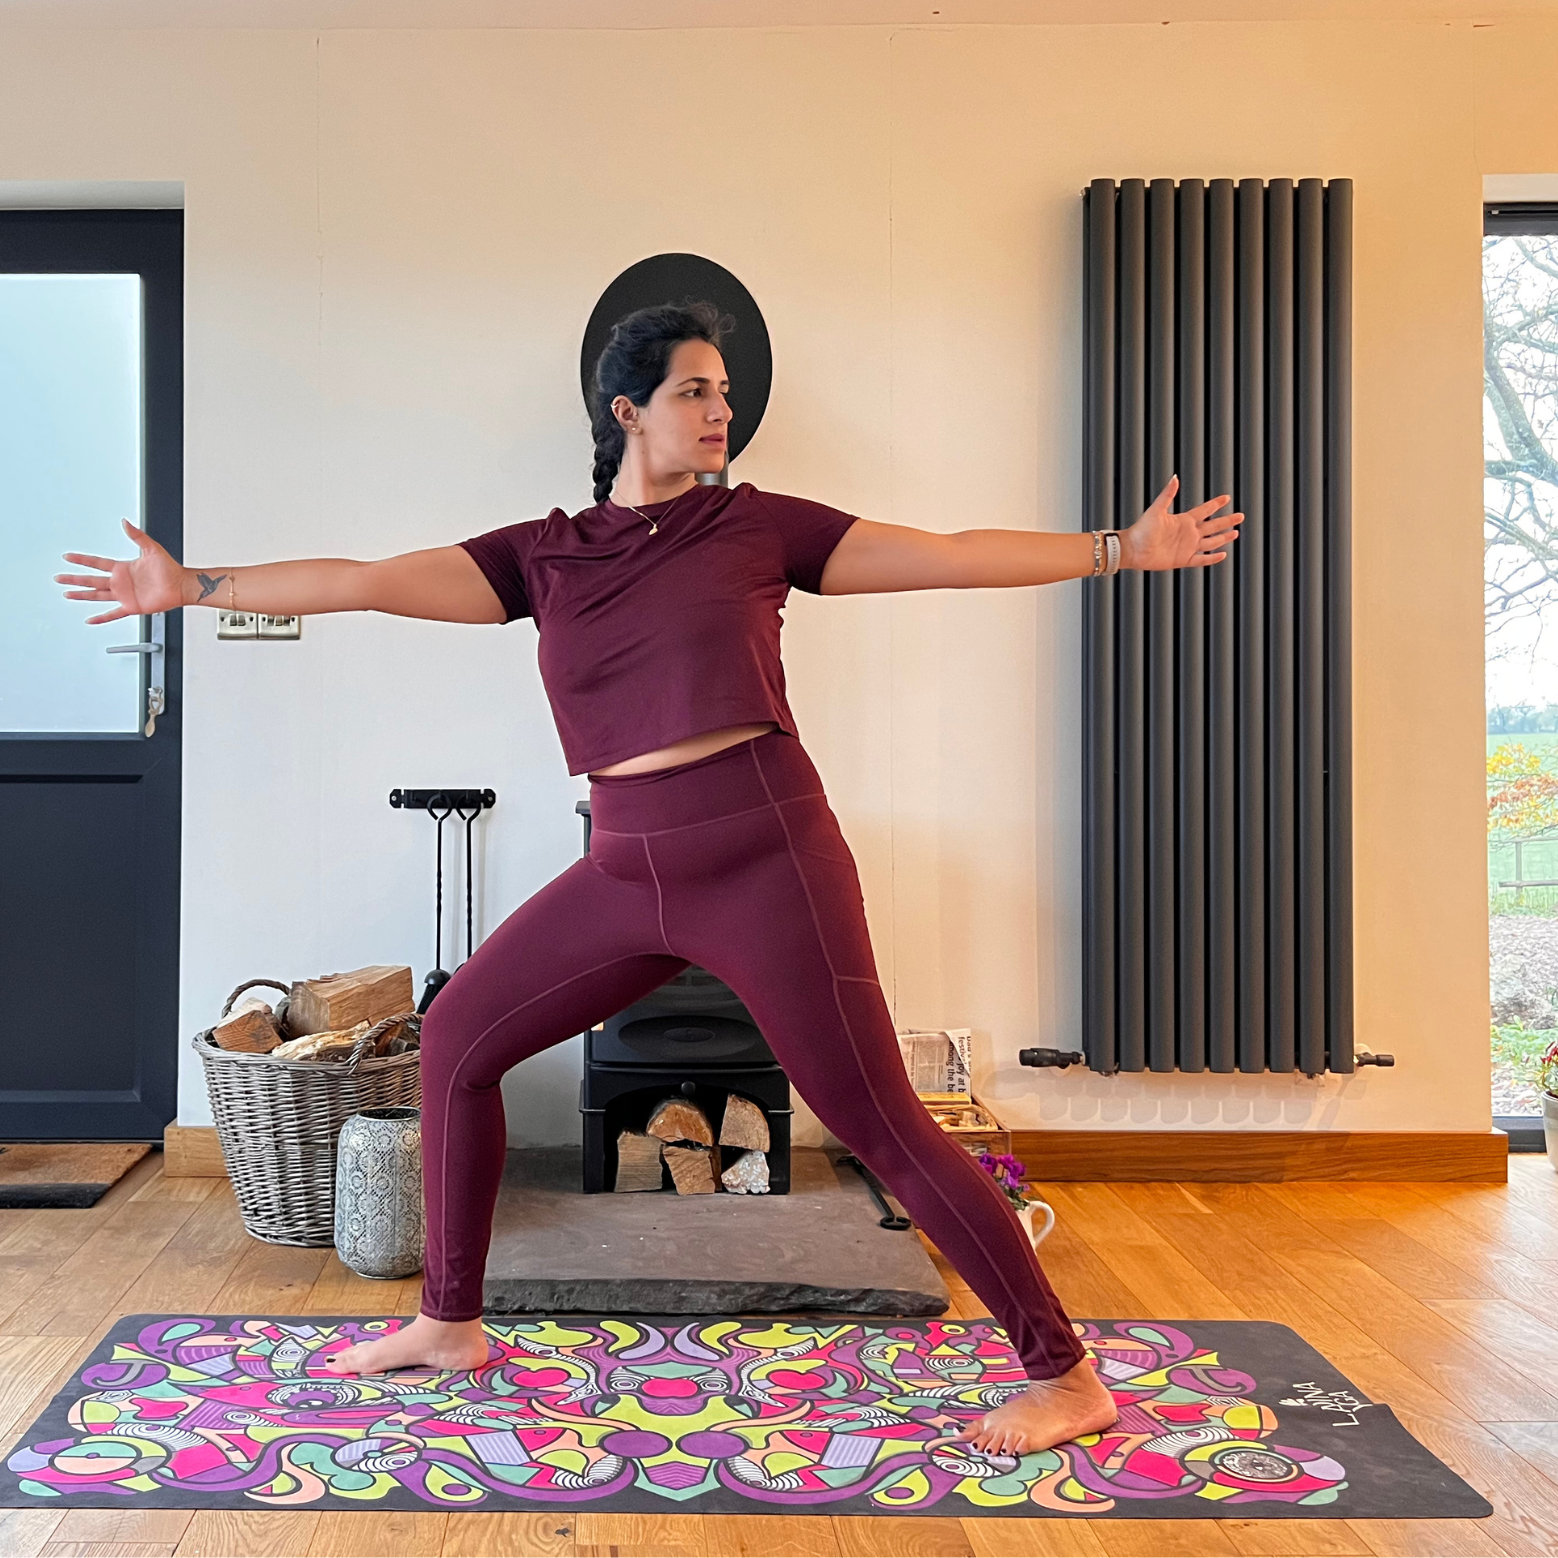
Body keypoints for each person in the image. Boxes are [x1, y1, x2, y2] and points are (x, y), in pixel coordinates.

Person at [57, 300, 1240, 1456]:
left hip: (762, 849)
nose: (721, 409)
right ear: (627, 407)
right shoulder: (544, 556)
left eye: (724, 392)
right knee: (460, 1034)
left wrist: (1116, 551)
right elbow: (369, 578)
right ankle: (449, 1321)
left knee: (875, 1115)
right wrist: (195, 585)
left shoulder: (758, 527)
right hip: (623, 862)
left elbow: (937, 555)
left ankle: (1064, 1373)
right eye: (695, 390)